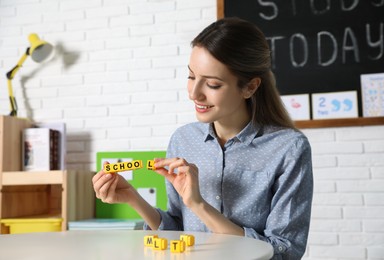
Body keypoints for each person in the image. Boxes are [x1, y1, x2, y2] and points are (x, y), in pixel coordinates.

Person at [93, 17, 313, 260]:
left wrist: (199, 205)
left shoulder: (288, 149)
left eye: (212, 84)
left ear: (250, 87)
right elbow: (176, 230)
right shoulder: (183, 139)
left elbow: (284, 251)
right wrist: (132, 198)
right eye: (191, 77)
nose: (194, 93)